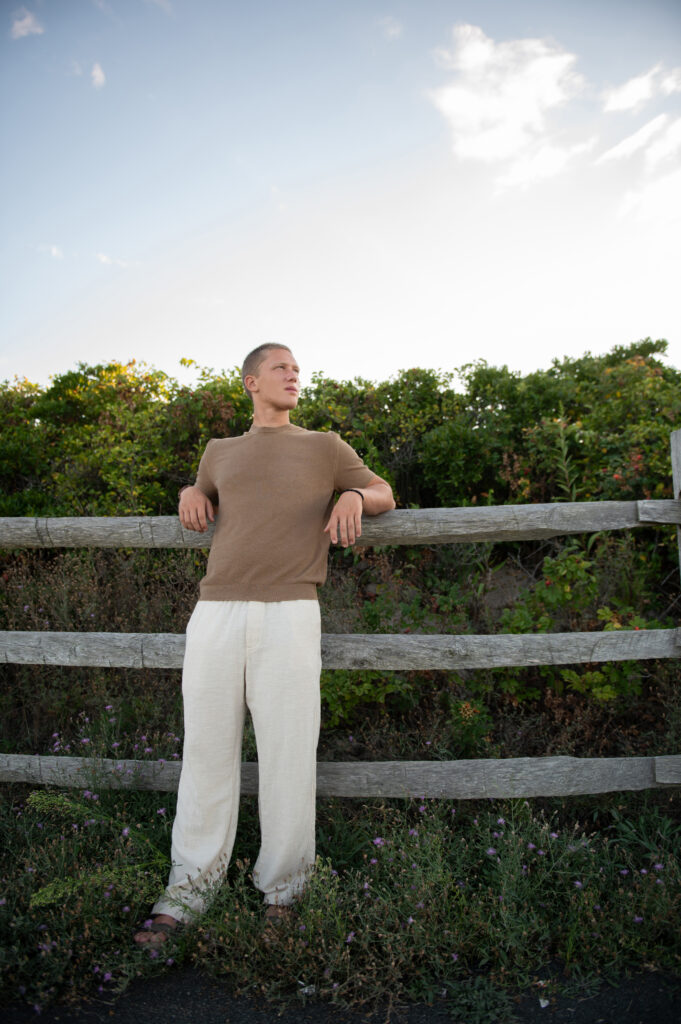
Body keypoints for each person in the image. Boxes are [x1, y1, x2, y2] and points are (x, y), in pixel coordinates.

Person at [134, 344, 395, 945]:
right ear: (252, 382)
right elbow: (204, 492)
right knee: (205, 752)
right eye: (280, 367)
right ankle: (188, 893)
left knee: (288, 754)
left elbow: (383, 491)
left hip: (291, 613)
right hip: (216, 612)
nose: (293, 374)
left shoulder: (325, 446)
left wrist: (354, 495)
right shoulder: (218, 452)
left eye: (297, 368)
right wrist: (187, 492)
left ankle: (284, 892)